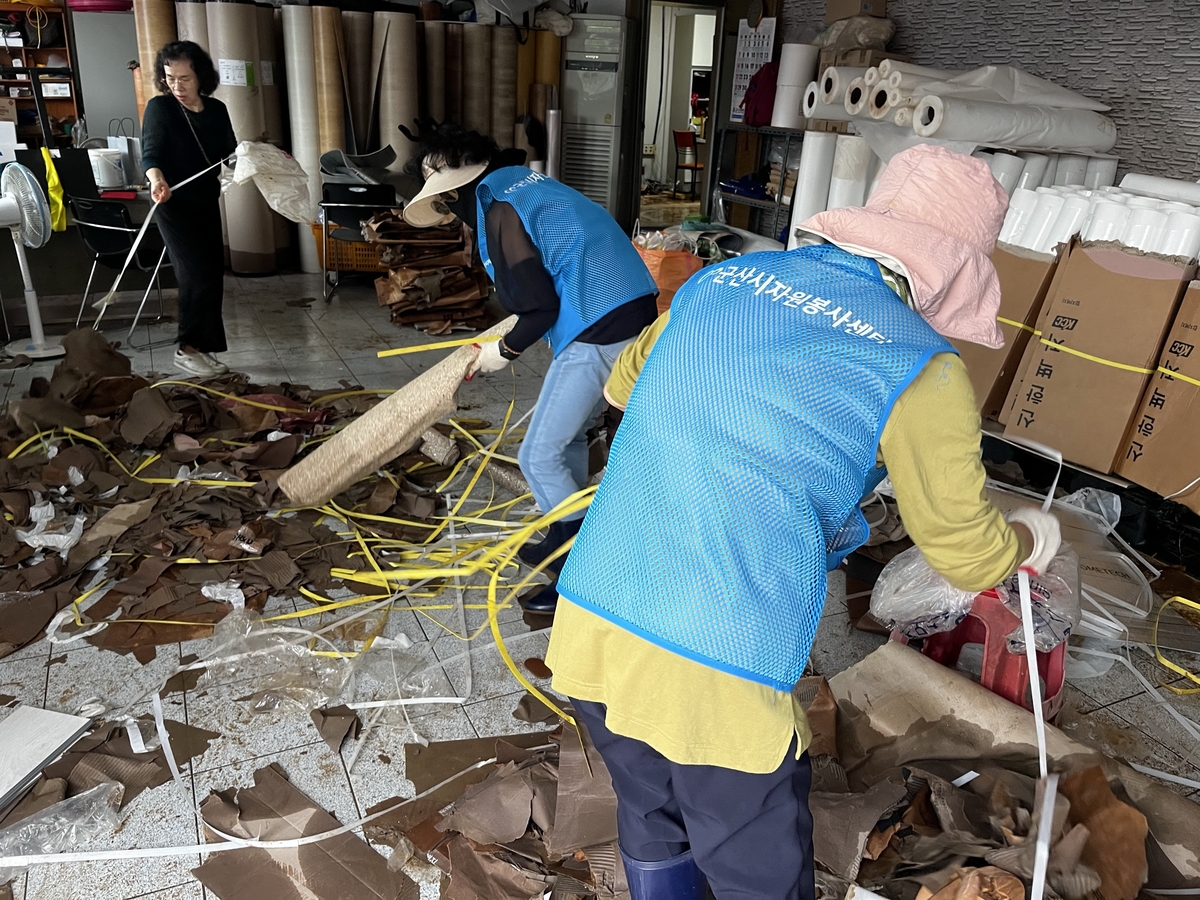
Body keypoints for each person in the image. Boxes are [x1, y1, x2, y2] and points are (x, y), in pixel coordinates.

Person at [542, 145, 1063, 900]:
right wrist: (1030, 540)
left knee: (651, 811)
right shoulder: (921, 363)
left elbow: (625, 388)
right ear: (952, 268)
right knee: (754, 864)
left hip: (597, 608)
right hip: (717, 657)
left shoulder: (720, 281)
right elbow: (966, 550)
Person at [402, 123, 659, 612]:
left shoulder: (499, 209)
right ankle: (564, 536)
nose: (450, 213)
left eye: (445, 203)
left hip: (599, 326)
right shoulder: (525, 183)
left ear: (455, 190)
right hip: (630, 308)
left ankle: (576, 573)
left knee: (537, 457)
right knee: (573, 438)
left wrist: (504, 351)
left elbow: (537, 307)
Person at [141, 40, 237, 378]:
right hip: (173, 204)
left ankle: (203, 347)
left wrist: (254, 159)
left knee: (212, 276)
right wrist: (156, 180)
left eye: (185, 78)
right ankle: (186, 350)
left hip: (206, 201)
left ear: (201, 77)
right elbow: (150, 154)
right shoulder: (160, 109)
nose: (176, 86)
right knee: (194, 275)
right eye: (170, 78)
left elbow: (229, 154)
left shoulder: (216, 111)